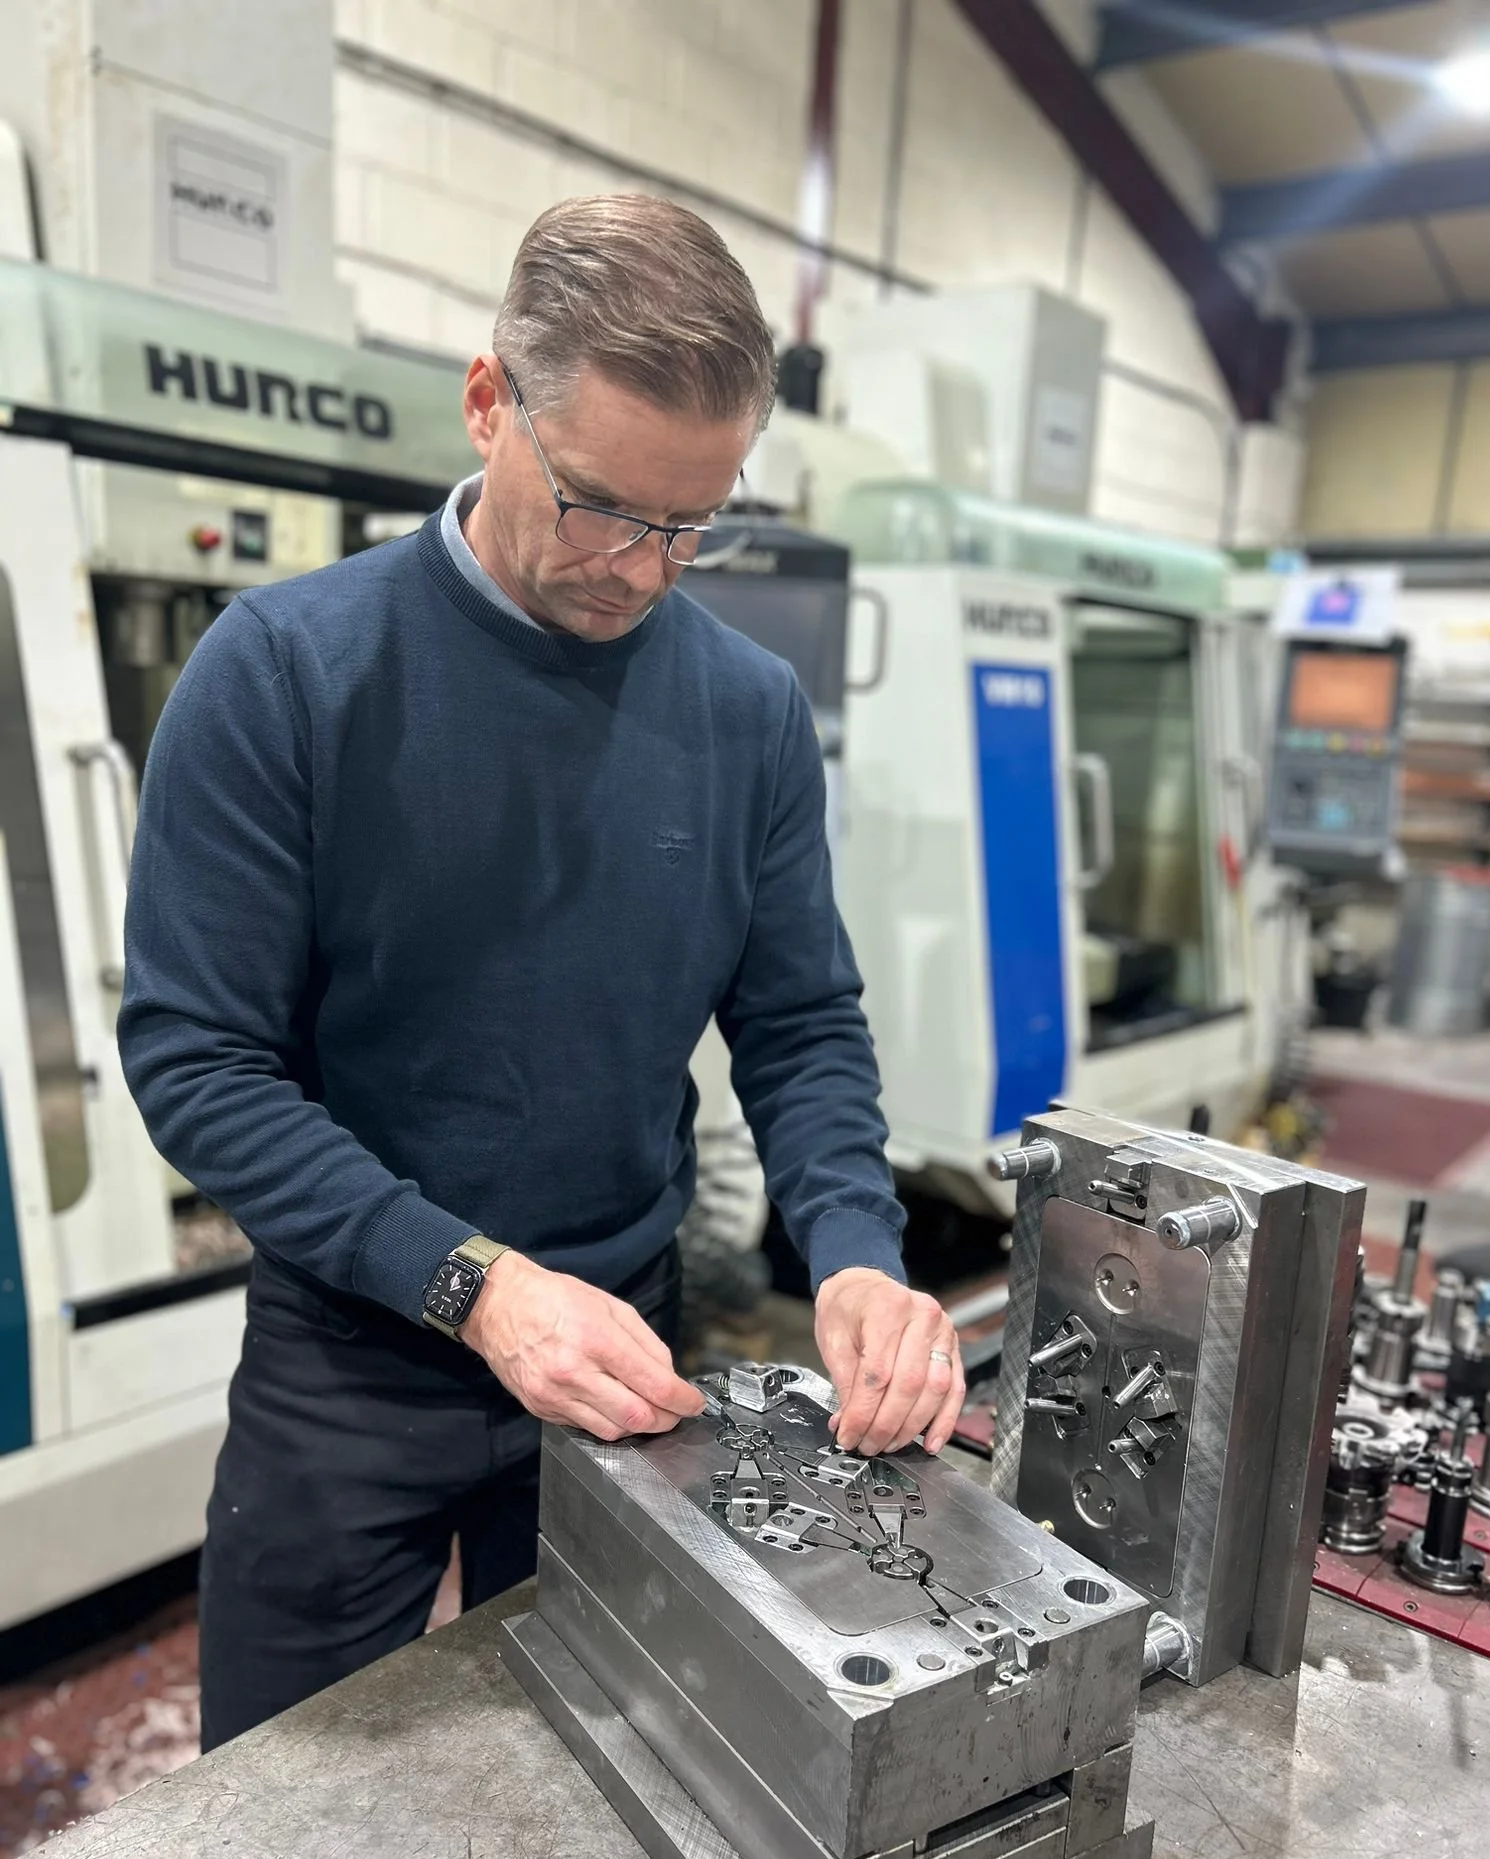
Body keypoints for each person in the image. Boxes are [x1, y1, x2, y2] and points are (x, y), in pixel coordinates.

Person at [118, 193, 964, 1752]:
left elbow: (797, 1021)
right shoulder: (291, 673)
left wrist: (851, 1246)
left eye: (692, 524)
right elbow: (197, 1065)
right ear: (489, 400)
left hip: (627, 1357)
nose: (643, 572)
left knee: (597, 1789)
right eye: (601, 509)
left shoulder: (748, 710)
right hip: (356, 1361)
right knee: (295, 1800)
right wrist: (477, 1286)